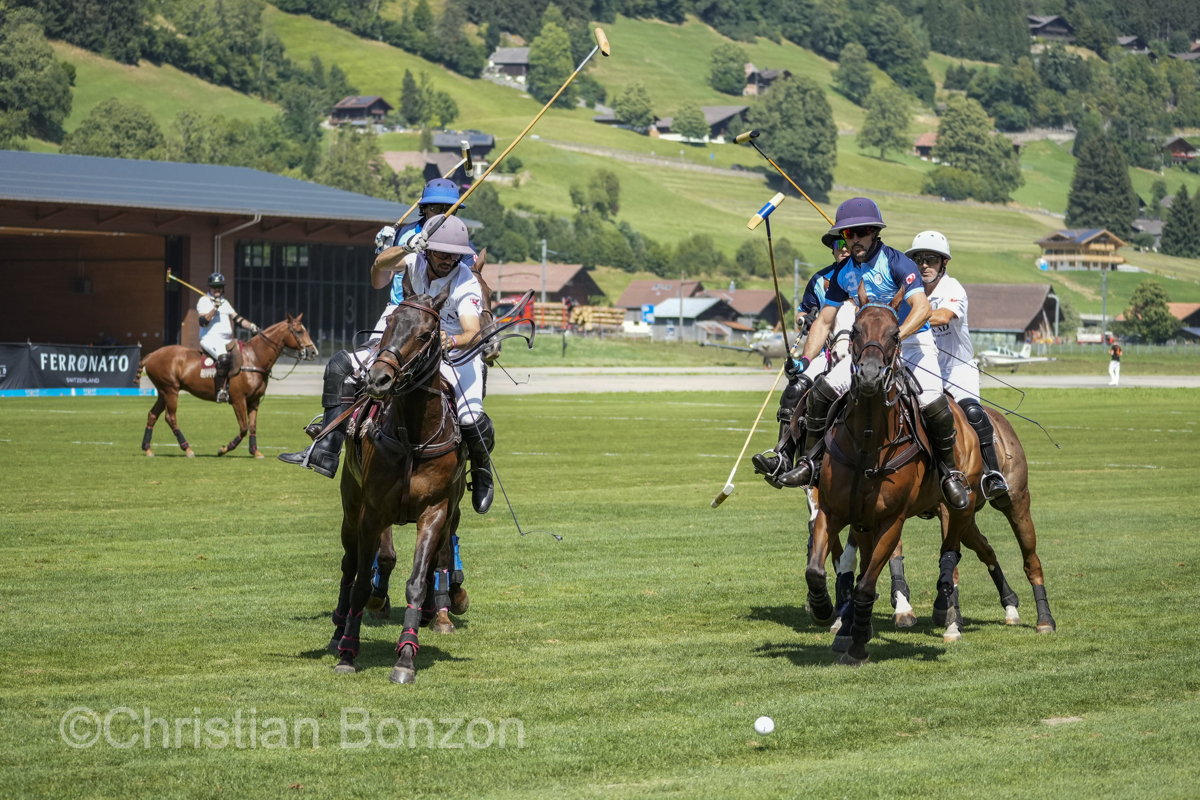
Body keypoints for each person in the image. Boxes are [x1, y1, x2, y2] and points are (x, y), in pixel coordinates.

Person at [279, 216, 497, 515]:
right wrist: (403, 247)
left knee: (471, 419)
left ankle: (482, 470)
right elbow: (379, 271)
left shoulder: (466, 281)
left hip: (454, 352)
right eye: (443, 253)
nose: (449, 260)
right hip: (412, 341)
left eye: (454, 255)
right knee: (341, 366)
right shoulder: (415, 261)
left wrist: (454, 340)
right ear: (427, 250)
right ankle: (327, 449)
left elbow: (473, 332)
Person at [774, 197, 972, 510]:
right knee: (821, 392)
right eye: (848, 234)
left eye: (862, 231)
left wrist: (895, 337)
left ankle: (950, 474)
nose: (855, 239)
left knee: (934, 403)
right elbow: (824, 321)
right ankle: (810, 464)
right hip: (870, 348)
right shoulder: (843, 273)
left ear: (875, 232)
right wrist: (805, 360)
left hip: (912, 342)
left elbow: (922, 309)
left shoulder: (897, 263)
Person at [910, 230, 1008, 500]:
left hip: (957, 370)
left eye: (931, 259)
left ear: (944, 263)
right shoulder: (910, 291)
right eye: (919, 260)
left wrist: (912, 315)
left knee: (973, 413)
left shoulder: (952, 288)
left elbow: (943, 316)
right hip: (923, 368)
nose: (925, 265)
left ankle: (992, 473)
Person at [751, 232, 852, 485]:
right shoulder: (820, 279)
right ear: (832, 249)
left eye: (847, 243)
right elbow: (802, 312)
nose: (843, 248)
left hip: (863, 355)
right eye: (838, 244)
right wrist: (805, 319)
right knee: (794, 388)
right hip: (827, 352)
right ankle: (783, 457)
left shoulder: (871, 275)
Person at [196, 272, 258, 403]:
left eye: (219, 286)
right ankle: (220, 391)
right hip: (209, 338)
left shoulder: (225, 302)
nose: (217, 289)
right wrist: (214, 308)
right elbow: (202, 322)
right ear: (209, 287)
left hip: (226, 340)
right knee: (224, 357)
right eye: (214, 286)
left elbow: (237, 319)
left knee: (243, 355)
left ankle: (236, 387)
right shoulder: (204, 301)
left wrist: (251, 326)